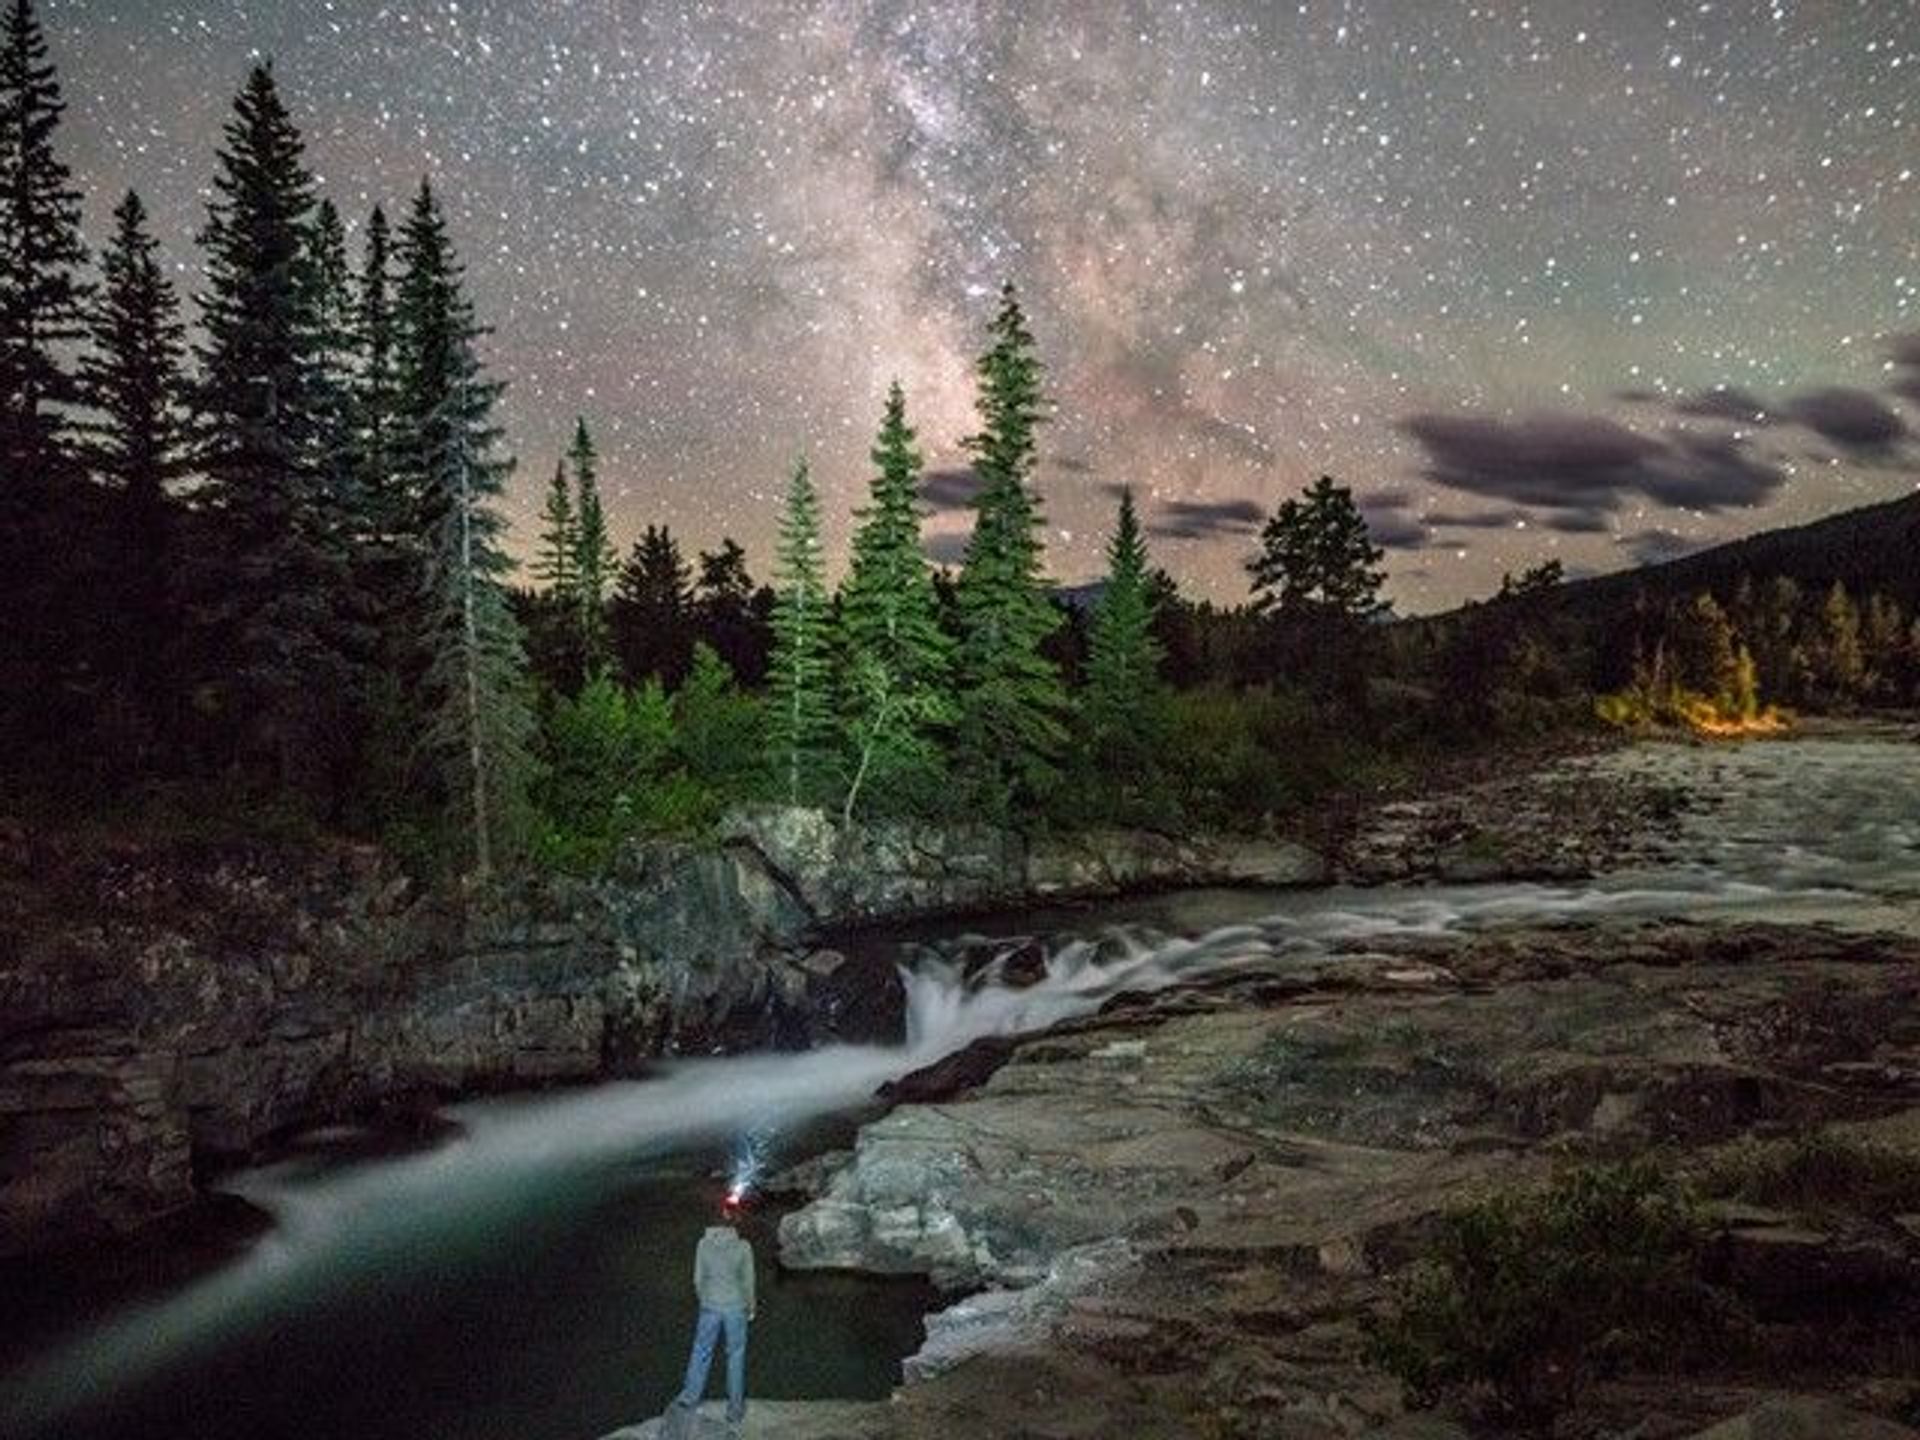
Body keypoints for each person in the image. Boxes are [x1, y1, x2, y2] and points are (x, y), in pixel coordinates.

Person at [666, 1200, 756, 1434]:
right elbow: (748, 1282)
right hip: (735, 1306)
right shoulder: (743, 1246)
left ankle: (690, 1397)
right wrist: (751, 1307)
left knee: (701, 1350)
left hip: (710, 1306)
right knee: (735, 1356)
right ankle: (734, 1410)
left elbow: (697, 1279)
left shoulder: (703, 1244)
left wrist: (705, 1299)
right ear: (736, 1220)